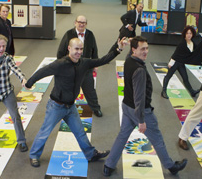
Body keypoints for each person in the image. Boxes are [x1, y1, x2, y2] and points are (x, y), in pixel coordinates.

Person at [25, 37, 129, 167]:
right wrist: (29, 83)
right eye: (76, 49)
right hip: (56, 106)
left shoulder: (84, 63)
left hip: (70, 107)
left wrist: (118, 49)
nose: (79, 52)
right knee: (44, 132)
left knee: (80, 132)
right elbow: (42, 72)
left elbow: (103, 60)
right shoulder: (60, 64)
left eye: (81, 49)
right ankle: (34, 155)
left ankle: (91, 154)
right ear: (69, 48)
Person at [103, 36, 187, 177]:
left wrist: (129, 43)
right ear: (134, 50)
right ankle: (171, 166)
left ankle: (108, 166)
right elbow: (139, 98)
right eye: (142, 49)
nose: (146, 51)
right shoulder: (139, 70)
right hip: (140, 111)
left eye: (147, 48)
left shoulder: (129, 60)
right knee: (157, 138)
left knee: (122, 136)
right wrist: (141, 120)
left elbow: (131, 53)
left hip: (126, 106)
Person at [57, 15, 103, 117]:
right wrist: (62, 66)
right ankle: (64, 108)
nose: (81, 24)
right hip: (71, 68)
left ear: (86, 24)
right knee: (69, 90)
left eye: (84, 23)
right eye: (79, 22)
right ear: (75, 23)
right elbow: (61, 51)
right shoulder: (69, 34)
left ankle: (95, 108)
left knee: (90, 90)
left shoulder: (90, 34)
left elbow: (94, 50)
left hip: (86, 68)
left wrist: (95, 63)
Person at [161, 26, 202, 99]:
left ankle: (192, 92)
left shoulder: (192, 43)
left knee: (185, 78)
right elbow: (176, 54)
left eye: (190, 33)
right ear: (185, 34)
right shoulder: (182, 43)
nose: (189, 35)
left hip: (181, 63)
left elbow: (197, 51)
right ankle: (163, 91)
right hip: (175, 62)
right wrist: (170, 63)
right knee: (168, 76)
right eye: (187, 33)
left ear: (192, 34)